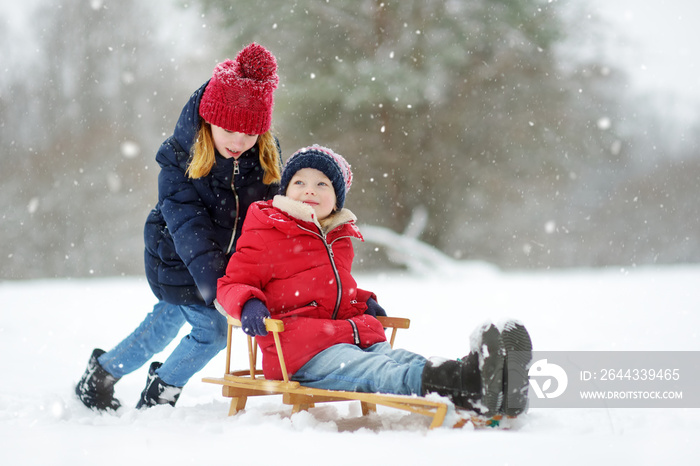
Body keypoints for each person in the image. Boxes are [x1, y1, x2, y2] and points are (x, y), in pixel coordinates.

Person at [215, 145, 533, 418]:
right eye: (299, 182)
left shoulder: (338, 238)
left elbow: (333, 290)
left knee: (401, 359)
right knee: (378, 372)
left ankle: (480, 376)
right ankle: (466, 386)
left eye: (322, 184)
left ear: (337, 200)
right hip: (299, 351)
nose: (309, 189)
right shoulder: (269, 230)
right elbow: (232, 283)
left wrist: (362, 300)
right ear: (285, 190)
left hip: (346, 334)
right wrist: (249, 304)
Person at [75, 43, 282, 411]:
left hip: (222, 271)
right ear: (208, 120)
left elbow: (270, 220)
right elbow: (190, 228)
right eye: (229, 130)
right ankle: (163, 389)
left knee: (162, 325)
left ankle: (102, 374)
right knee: (214, 332)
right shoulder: (180, 160)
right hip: (176, 259)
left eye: (249, 134)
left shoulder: (263, 158)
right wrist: (219, 288)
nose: (238, 142)